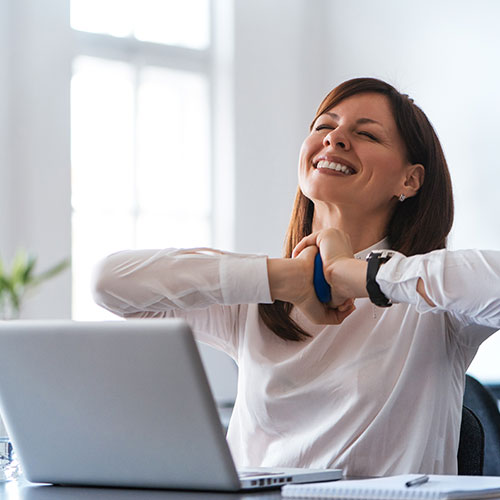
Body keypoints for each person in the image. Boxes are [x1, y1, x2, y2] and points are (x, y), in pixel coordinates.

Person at [92, 77, 500, 476]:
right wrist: (282, 277)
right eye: (325, 125)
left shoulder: (433, 307)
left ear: (409, 180)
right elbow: (110, 284)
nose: (335, 138)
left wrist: (356, 275)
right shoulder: (257, 291)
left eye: (367, 135)